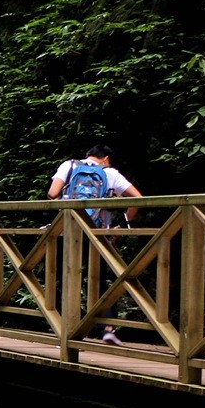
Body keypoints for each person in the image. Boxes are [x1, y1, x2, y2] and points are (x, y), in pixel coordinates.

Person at [47, 144, 143, 344]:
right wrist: (123, 226)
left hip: (68, 231)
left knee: (66, 278)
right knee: (100, 281)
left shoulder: (70, 165)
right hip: (98, 234)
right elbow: (138, 199)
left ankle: (66, 328)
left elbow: (52, 193)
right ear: (106, 158)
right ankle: (107, 328)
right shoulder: (111, 173)